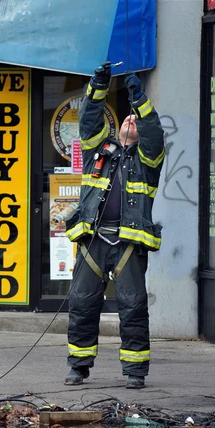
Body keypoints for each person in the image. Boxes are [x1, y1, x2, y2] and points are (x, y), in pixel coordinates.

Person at [64, 64, 165, 389]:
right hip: (93, 242)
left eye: (134, 121)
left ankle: (135, 372)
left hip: (127, 246)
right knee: (81, 303)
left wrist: (138, 100)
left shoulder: (148, 160)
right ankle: (78, 366)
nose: (130, 122)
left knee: (133, 307)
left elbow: (154, 133)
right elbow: (89, 120)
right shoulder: (99, 153)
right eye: (126, 118)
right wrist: (99, 86)